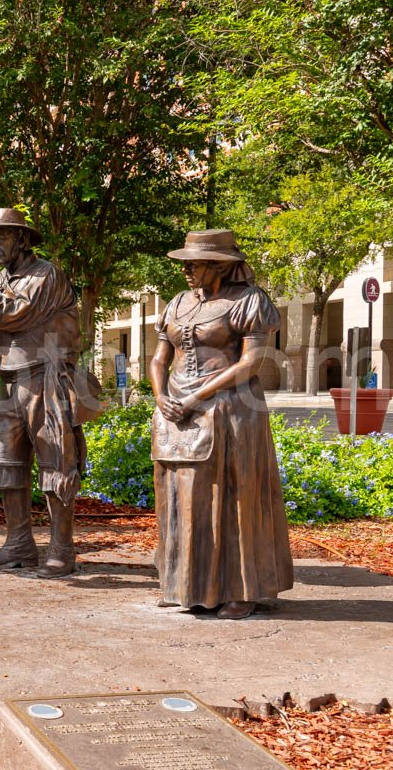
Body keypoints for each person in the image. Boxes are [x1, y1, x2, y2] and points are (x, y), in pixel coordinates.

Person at [149, 229, 294, 619]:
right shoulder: (177, 303)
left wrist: (197, 397)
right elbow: (159, 358)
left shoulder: (249, 301)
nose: (186, 271)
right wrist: (161, 396)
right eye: (185, 263)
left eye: (194, 264)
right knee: (180, 496)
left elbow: (250, 364)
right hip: (175, 411)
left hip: (232, 411)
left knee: (232, 498)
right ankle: (186, 584)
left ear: (219, 266)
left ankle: (239, 589)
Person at [0, 207, 99, 578]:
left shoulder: (45, 275)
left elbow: (16, 313)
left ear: (22, 239)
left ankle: (61, 549)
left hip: (46, 377)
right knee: (5, 464)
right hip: (10, 383)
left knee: (56, 463)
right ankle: (19, 542)